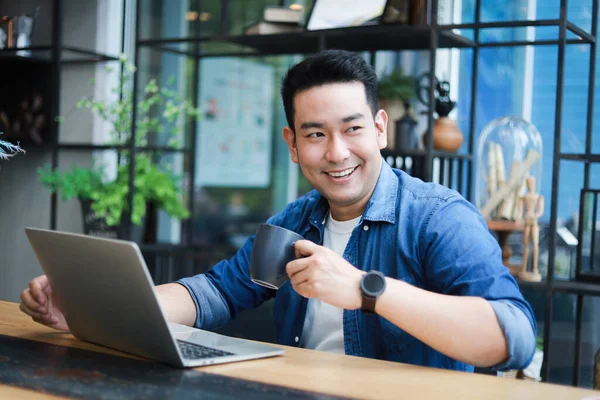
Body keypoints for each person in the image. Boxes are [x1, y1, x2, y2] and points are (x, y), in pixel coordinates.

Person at [20, 49, 536, 372]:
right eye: (316, 134)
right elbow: (219, 291)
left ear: (381, 129)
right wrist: (93, 307)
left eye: (353, 129)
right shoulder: (296, 221)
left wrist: (366, 290)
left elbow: (512, 337)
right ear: (293, 144)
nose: (336, 152)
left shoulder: (438, 217)